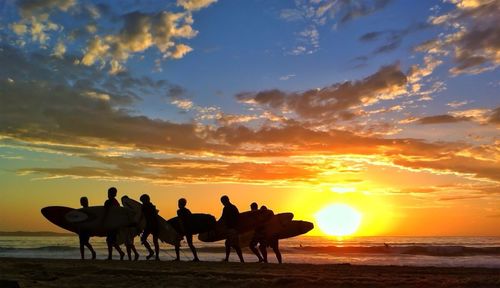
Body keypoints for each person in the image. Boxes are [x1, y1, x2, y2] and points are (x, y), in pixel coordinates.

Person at [220, 195, 244, 262]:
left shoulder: (227, 208)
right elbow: (238, 217)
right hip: (233, 228)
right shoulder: (233, 207)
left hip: (232, 229)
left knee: (234, 245)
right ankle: (228, 259)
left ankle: (240, 260)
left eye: (222, 202)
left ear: (226, 200)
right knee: (230, 244)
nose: (222, 203)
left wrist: (217, 223)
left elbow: (223, 218)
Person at [104, 187, 125, 260]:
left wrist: (103, 221)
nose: (108, 194)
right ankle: (116, 254)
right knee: (111, 240)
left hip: (111, 224)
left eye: (109, 193)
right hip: (115, 223)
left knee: (110, 240)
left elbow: (105, 213)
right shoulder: (117, 202)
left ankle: (114, 255)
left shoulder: (108, 202)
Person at [140, 194, 160, 260]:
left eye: (142, 201)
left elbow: (141, 216)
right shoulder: (153, 206)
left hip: (150, 225)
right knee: (155, 241)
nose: (142, 202)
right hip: (155, 225)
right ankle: (156, 256)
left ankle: (152, 252)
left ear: (145, 200)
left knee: (143, 239)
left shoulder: (144, 206)